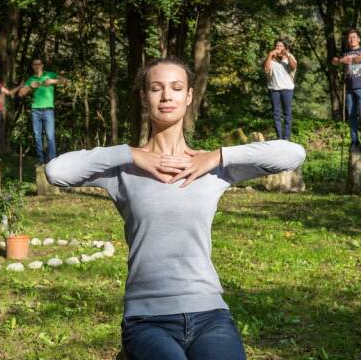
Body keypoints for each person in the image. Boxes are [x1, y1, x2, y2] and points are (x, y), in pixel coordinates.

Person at [45, 57, 306, 360]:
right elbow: (57, 171)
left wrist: (216, 156)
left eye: (177, 88)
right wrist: (130, 153)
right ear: (144, 97)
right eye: (156, 88)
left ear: (189, 96)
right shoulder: (123, 169)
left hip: (210, 315)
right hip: (146, 320)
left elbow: (293, 154)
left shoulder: (211, 167)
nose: (167, 96)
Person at [18, 58, 68, 165]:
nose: (37, 66)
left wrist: (52, 81)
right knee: (37, 137)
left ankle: (53, 161)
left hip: (48, 110)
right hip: (35, 110)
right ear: (32, 66)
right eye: (34, 64)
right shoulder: (31, 79)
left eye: (39, 64)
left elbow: (65, 81)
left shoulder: (50, 75)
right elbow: (20, 93)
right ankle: (41, 160)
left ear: (42, 65)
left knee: (50, 136)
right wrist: (30, 87)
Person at [263, 39, 297, 141]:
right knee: (276, 114)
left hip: (287, 89)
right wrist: (269, 55)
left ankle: (286, 138)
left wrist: (286, 54)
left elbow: (293, 66)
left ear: (285, 48)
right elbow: (266, 69)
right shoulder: (271, 59)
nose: (278, 48)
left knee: (287, 114)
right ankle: (279, 137)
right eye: (277, 46)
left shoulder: (289, 57)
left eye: (281, 46)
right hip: (274, 89)